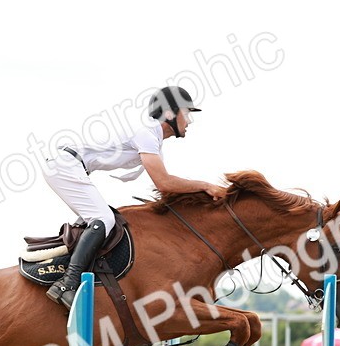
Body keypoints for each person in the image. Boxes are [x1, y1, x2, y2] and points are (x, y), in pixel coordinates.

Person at [42, 85, 225, 309]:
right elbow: (164, 183)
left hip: (69, 167)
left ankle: (75, 276)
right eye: (186, 114)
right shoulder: (146, 133)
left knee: (101, 220)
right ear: (169, 114)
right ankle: (67, 284)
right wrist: (205, 186)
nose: (189, 121)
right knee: (105, 220)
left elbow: (165, 184)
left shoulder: (153, 138)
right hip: (66, 166)